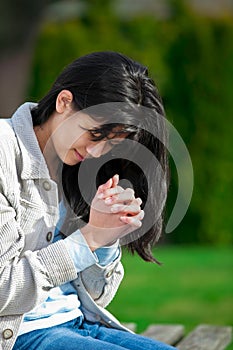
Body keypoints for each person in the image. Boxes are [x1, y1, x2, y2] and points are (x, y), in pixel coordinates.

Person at [0, 51, 176, 350]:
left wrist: (106, 237)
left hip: (80, 323)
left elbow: (97, 297)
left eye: (111, 144)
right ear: (63, 102)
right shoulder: (4, 153)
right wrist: (88, 238)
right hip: (20, 334)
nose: (97, 152)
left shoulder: (82, 168)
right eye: (94, 134)